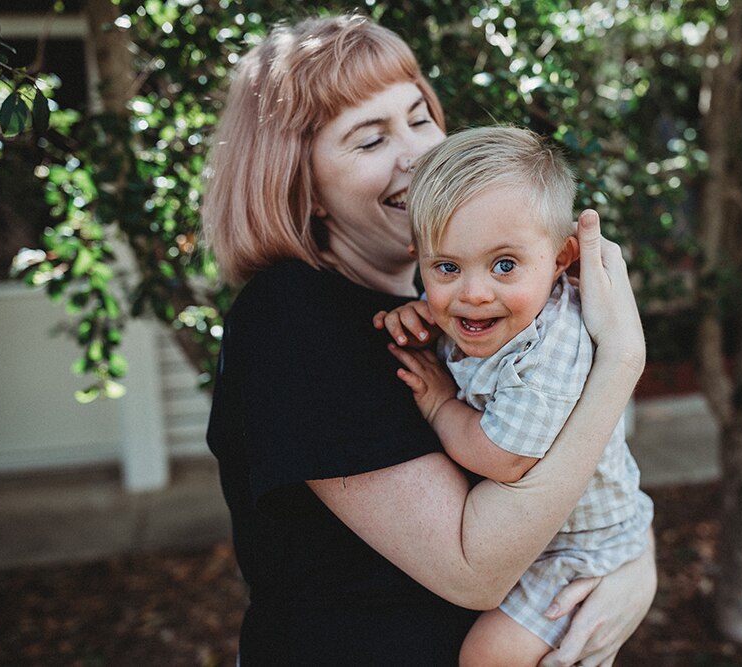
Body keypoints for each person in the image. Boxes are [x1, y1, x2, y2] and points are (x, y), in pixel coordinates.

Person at [202, 13, 656, 666]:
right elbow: (476, 568)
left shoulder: (449, 303)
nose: (416, 153)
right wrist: (622, 363)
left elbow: (585, 464)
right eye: (370, 140)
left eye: (419, 118)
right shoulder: (291, 317)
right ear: (306, 185)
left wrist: (635, 562)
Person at [374, 126, 655, 666]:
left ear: (561, 259)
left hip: (581, 543)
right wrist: (426, 318)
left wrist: (437, 405)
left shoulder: (549, 355)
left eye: (504, 265)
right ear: (420, 261)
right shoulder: (494, 310)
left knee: (488, 657)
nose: (474, 293)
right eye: (447, 268)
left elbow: (503, 458)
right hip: (550, 529)